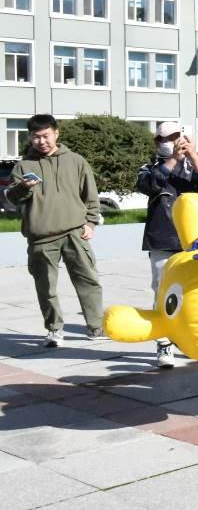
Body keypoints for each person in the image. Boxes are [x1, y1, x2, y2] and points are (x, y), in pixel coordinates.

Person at [6, 114, 105, 346]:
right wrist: (23, 187)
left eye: (46, 136)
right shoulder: (23, 166)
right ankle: (54, 329)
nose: (41, 141)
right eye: (36, 137)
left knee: (88, 281)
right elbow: (12, 198)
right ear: (30, 137)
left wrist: (91, 223)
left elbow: (90, 196)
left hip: (74, 233)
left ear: (56, 133)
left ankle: (95, 326)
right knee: (46, 287)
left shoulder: (76, 161)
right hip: (40, 237)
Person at [136, 120, 198, 367]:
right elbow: (150, 185)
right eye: (164, 138)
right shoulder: (149, 167)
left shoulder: (192, 166)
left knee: (195, 291)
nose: (170, 142)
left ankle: (190, 338)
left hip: (194, 238)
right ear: (157, 142)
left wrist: (193, 155)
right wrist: (172, 159)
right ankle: (164, 344)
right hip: (162, 238)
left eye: (174, 137)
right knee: (162, 291)